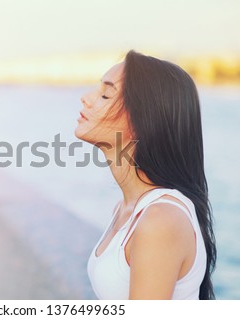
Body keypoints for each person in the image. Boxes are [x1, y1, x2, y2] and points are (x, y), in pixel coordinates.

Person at [75, 50, 216, 300]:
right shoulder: (126, 208)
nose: (86, 99)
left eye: (105, 94)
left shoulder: (160, 219)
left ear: (143, 118)